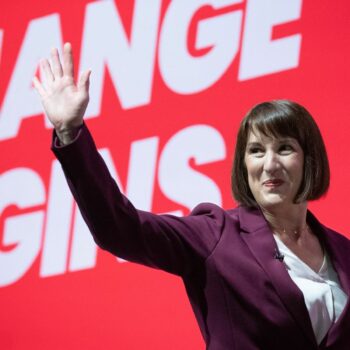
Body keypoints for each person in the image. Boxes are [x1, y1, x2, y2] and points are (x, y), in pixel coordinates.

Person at [33, 43, 350, 350]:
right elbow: (120, 229)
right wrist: (70, 133)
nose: (270, 164)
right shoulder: (217, 234)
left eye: (284, 148)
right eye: (256, 151)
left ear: (309, 159)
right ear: (243, 164)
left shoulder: (342, 251)